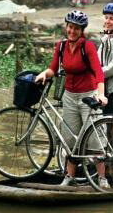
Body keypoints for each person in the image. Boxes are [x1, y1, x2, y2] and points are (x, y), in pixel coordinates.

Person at [35, 10, 109, 187]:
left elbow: (98, 72)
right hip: (69, 96)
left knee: (94, 137)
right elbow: (53, 68)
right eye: (70, 27)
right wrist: (44, 74)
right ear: (66, 27)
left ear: (82, 30)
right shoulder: (61, 46)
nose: (72, 31)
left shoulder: (87, 46)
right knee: (69, 138)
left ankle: (102, 178)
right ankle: (69, 176)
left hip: (88, 95)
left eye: (76, 28)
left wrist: (101, 94)